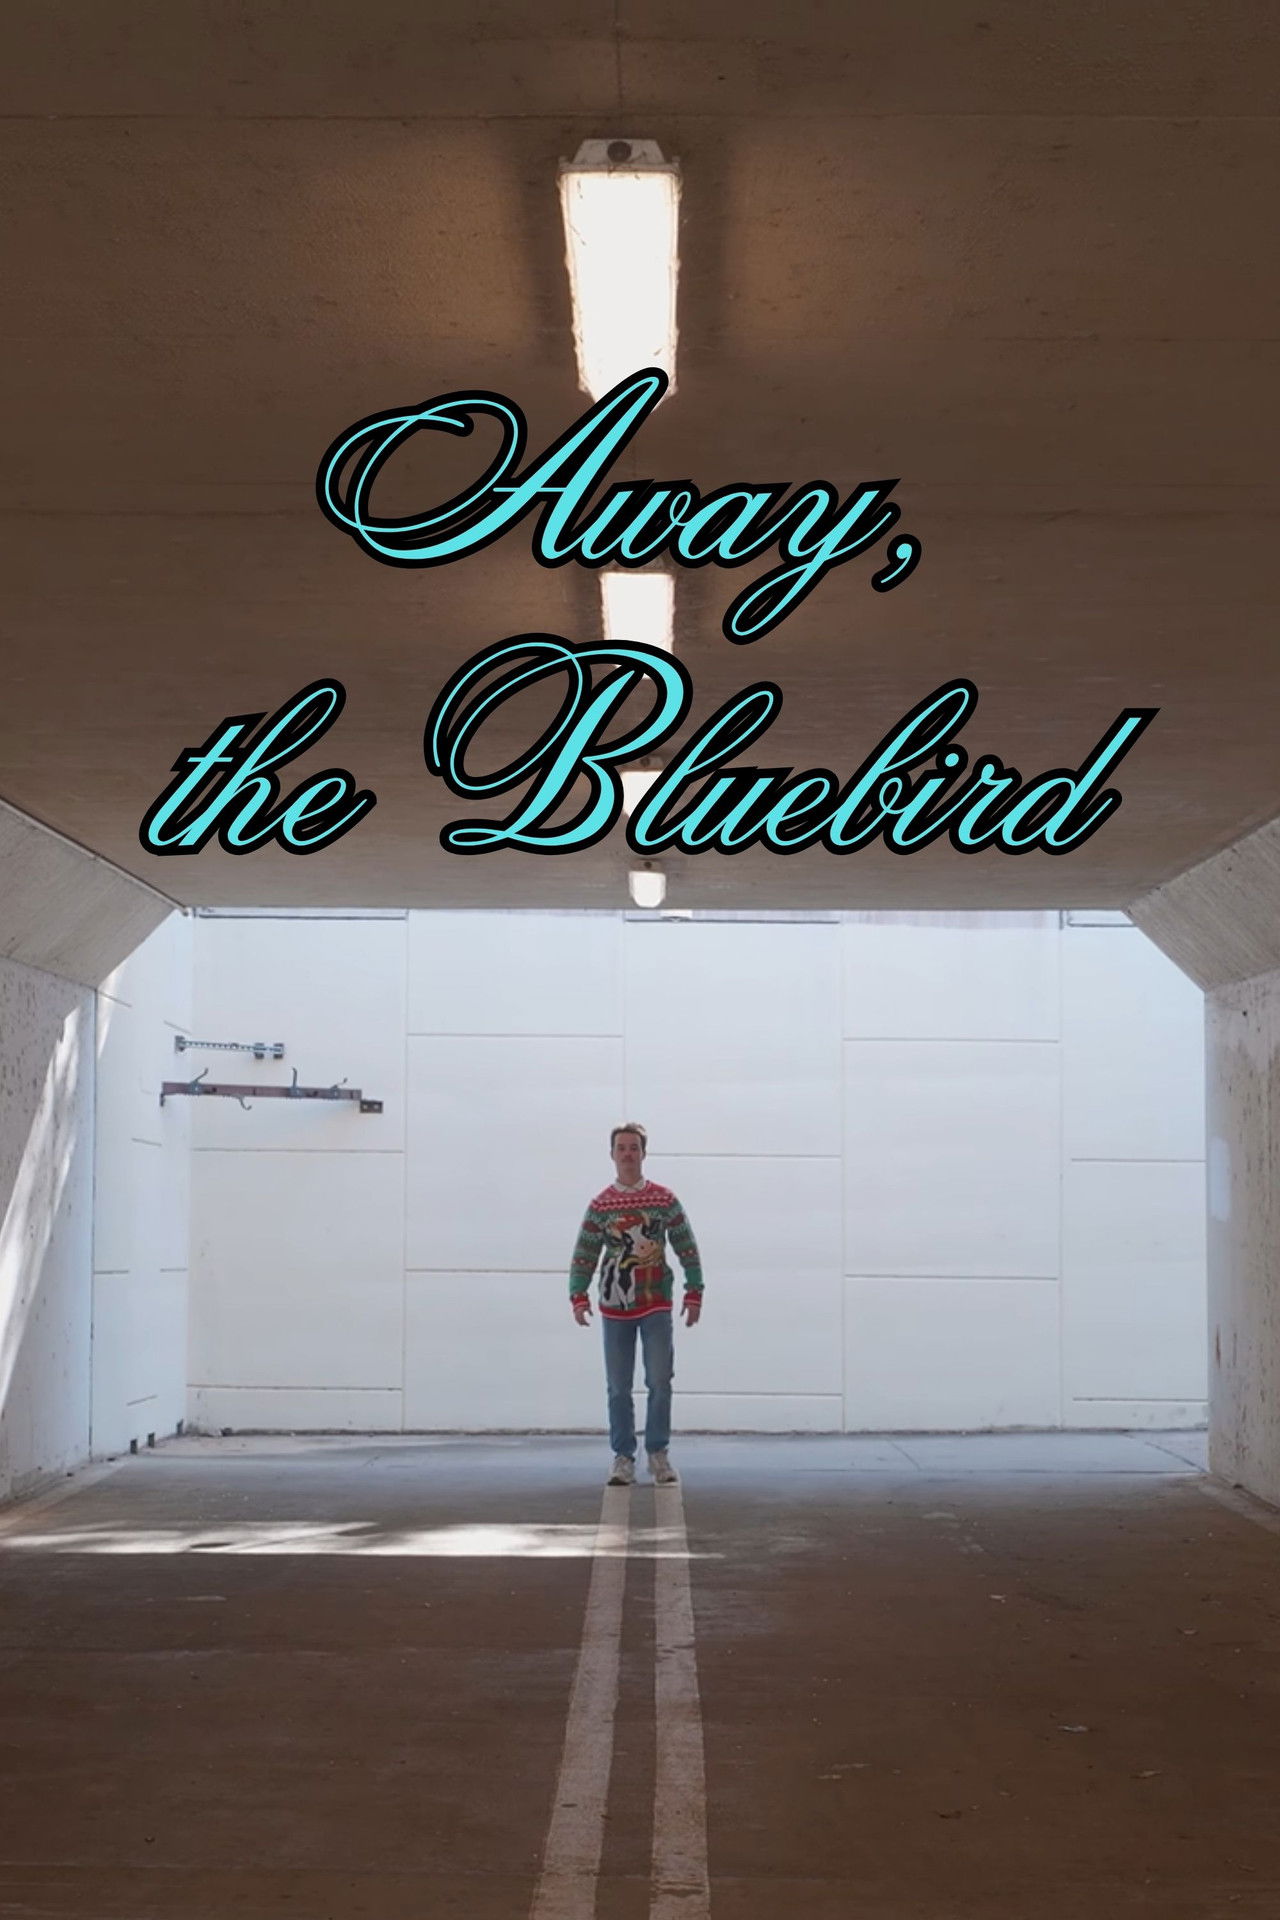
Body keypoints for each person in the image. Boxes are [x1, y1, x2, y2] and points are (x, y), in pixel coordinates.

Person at [568, 1122, 703, 1487]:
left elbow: (686, 1245)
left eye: (633, 1148)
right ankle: (623, 1456)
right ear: (612, 1154)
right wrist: (578, 1295)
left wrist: (694, 1290)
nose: (628, 1154)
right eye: (621, 1148)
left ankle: (658, 1452)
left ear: (644, 1153)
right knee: (618, 1385)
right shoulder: (601, 1206)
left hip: (656, 1302)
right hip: (615, 1307)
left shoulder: (664, 1200)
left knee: (660, 1379)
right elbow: (585, 1253)